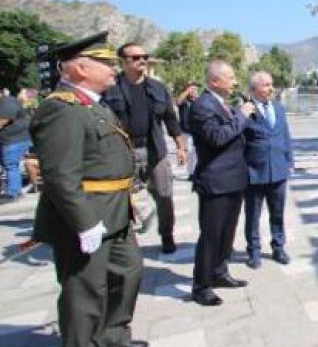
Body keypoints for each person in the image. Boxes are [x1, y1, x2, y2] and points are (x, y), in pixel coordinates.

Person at [29, 32, 146, 347]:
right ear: (80, 69)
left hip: (116, 212)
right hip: (89, 215)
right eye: (106, 63)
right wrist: (85, 223)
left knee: (128, 273)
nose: (113, 69)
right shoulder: (62, 110)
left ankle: (112, 338)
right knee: (85, 292)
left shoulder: (92, 105)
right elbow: (60, 176)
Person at [102, 42, 188, 254]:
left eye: (144, 56)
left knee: (164, 195)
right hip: (122, 152)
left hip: (154, 150)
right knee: (122, 199)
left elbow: (170, 118)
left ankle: (167, 235)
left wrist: (181, 146)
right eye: (135, 57)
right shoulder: (110, 88)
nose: (142, 60)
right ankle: (124, 241)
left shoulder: (157, 88)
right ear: (123, 61)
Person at [189, 60, 255, 307]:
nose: (235, 81)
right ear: (215, 81)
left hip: (234, 179)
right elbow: (218, 137)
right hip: (215, 182)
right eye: (230, 77)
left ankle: (219, 272)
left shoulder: (223, 104)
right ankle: (201, 285)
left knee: (227, 233)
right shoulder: (202, 106)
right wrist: (242, 115)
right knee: (211, 235)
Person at [243, 71, 294, 269]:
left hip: (279, 170)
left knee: (278, 212)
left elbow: (285, 136)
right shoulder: (246, 110)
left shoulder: (279, 108)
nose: (270, 88)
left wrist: (289, 161)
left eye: (271, 84)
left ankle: (278, 247)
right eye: (265, 85)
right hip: (255, 171)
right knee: (253, 214)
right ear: (254, 89)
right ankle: (254, 251)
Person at [0, 94, 31, 202]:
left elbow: (3, 120)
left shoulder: (7, 102)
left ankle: (12, 193)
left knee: (10, 165)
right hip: (9, 139)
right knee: (9, 165)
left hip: (15, 139)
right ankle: (16, 191)